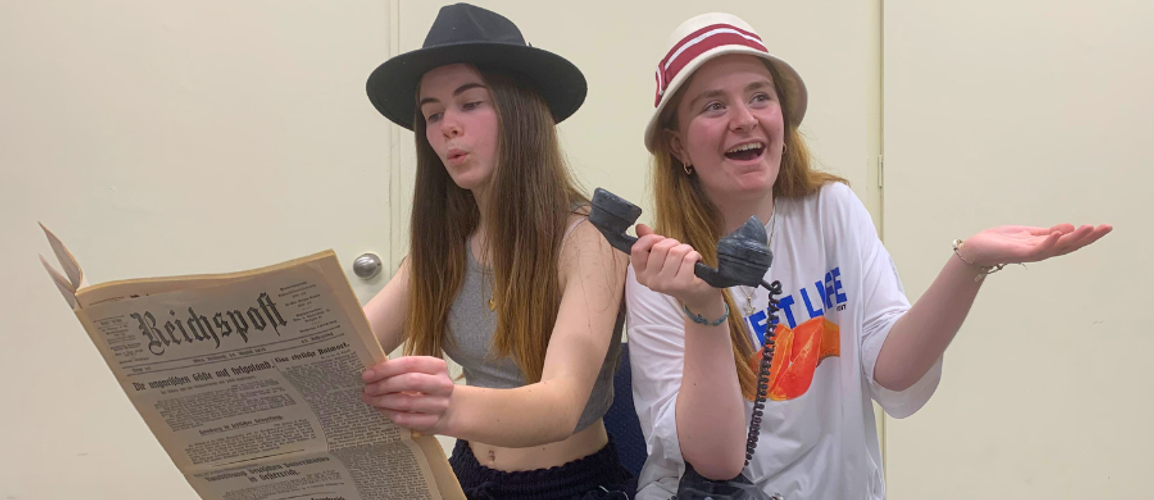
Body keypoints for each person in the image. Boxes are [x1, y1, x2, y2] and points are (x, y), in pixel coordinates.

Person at [624, 12, 1111, 500]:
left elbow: (893, 372)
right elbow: (718, 460)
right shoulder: (662, 271)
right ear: (678, 145)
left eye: (759, 96)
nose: (744, 119)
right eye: (713, 106)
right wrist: (704, 307)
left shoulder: (832, 210)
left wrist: (970, 263)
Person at [359, 4, 632, 499]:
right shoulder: (442, 246)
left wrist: (442, 406)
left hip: (567, 486)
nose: (447, 126)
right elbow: (342, 348)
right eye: (433, 114)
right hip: (465, 476)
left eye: (470, 103)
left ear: (520, 110)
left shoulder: (587, 239)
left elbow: (560, 405)